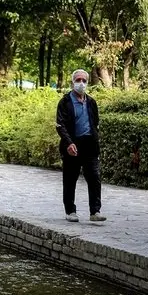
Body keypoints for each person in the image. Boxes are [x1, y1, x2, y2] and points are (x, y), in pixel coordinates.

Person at [55, 69, 106, 222]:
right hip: (72, 145)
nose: (81, 83)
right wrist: (69, 143)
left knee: (94, 177)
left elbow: (95, 122)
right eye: (78, 80)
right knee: (70, 179)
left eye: (84, 80)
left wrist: (95, 139)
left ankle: (95, 211)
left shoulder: (91, 102)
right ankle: (70, 211)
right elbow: (60, 125)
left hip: (89, 145)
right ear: (73, 82)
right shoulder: (65, 102)